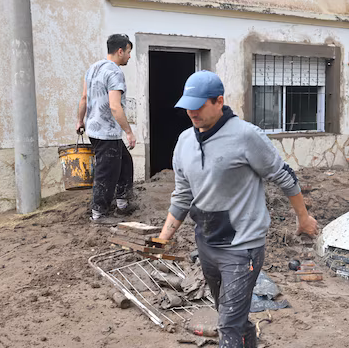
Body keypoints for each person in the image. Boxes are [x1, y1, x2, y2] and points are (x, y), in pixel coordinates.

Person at [157, 70, 318, 348]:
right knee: (232, 316)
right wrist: (162, 238)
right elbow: (182, 195)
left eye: (198, 106)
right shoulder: (184, 141)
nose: (191, 112)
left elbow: (284, 176)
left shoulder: (246, 136)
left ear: (219, 101)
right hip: (207, 243)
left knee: (228, 325)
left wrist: (303, 218)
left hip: (243, 247)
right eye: (187, 107)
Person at [76, 34, 137, 223]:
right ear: (120, 51)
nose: (129, 57)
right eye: (128, 52)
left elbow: (84, 98)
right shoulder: (114, 72)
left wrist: (80, 121)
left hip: (95, 129)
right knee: (106, 172)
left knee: (125, 163)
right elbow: (114, 106)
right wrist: (128, 131)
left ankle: (122, 203)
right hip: (107, 131)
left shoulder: (93, 69)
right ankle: (99, 213)